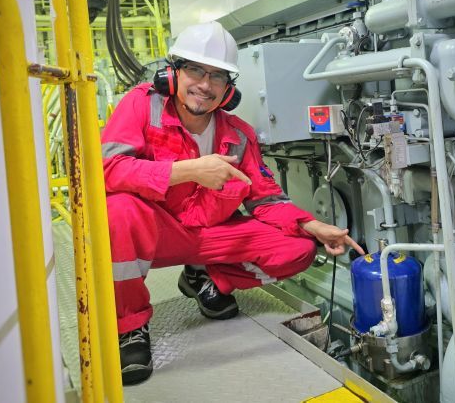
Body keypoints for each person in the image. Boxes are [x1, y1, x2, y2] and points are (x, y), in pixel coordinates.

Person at [101, 21, 364, 385]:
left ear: (229, 89)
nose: (205, 85)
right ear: (172, 72)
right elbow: (108, 170)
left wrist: (311, 225)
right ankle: (129, 326)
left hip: (208, 237)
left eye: (218, 76)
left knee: (298, 248)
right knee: (118, 210)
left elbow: (267, 199)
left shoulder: (239, 135)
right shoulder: (141, 106)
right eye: (195, 70)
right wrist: (188, 170)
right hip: (153, 233)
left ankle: (208, 279)